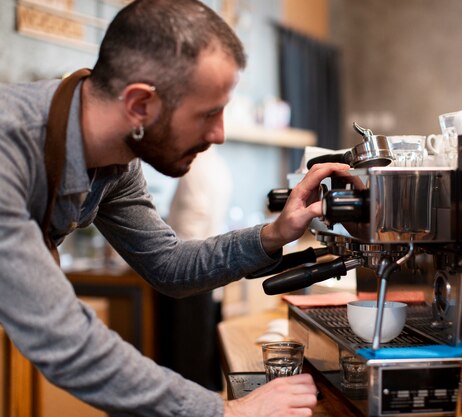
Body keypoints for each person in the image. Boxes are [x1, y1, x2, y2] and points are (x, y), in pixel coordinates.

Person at [0, 0, 349, 416]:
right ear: (139, 106)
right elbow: (66, 339)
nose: (219, 134)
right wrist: (225, 413)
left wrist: (275, 233)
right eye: (209, 113)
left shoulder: (116, 166)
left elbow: (169, 264)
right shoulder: (9, 144)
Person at [159, 148, 234, 392]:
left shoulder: (195, 167)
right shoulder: (218, 165)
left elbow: (189, 230)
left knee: (187, 366)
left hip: (188, 276)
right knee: (202, 363)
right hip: (207, 273)